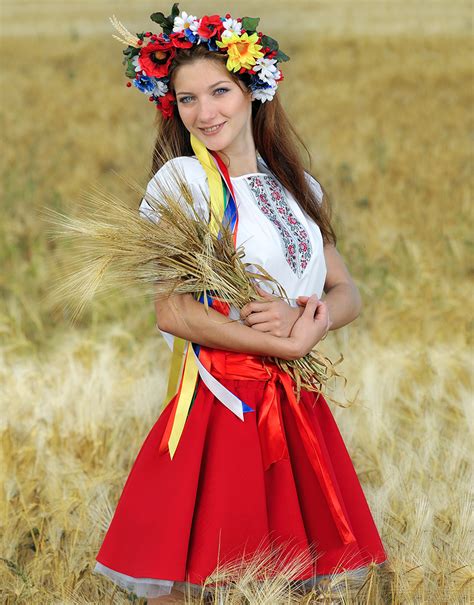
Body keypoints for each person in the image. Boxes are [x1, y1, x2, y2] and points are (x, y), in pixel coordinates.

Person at [93, 7, 388, 603]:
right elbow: (172, 312)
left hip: (297, 404)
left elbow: (347, 290)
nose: (205, 113)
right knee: (201, 579)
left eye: (220, 91)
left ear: (255, 88)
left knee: (293, 580)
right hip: (224, 403)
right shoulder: (183, 183)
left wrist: (310, 325)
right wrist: (281, 342)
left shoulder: (297, 186)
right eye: (186, 99)